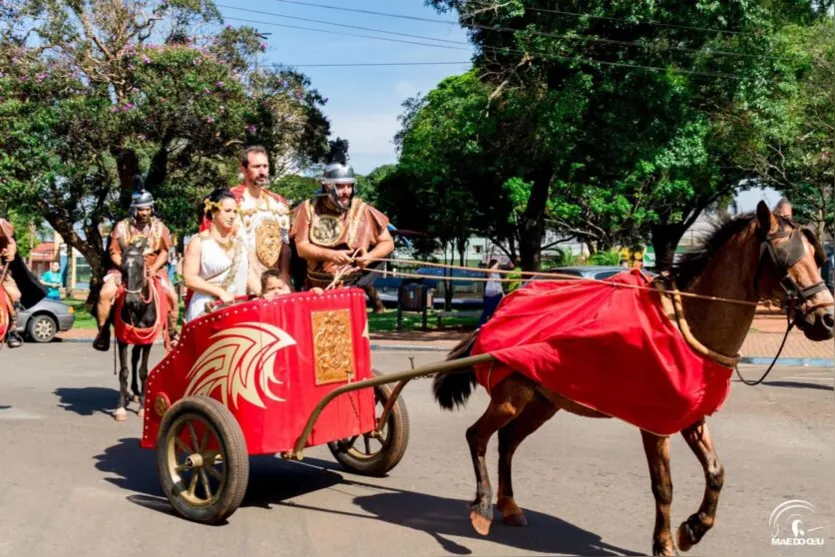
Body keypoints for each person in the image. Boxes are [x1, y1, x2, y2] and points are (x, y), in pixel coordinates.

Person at [290, 138, 394, 290]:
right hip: (315, 287)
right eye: (340, 186)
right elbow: (302, 247)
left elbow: (387, 242)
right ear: (327, 186)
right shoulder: (308, 209)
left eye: (349, 186)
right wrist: (329, 255)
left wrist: (369, 258)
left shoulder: (363, 210)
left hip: (350, 286)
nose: (346, 192)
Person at [93, 189, 179, 351]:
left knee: (172, 296)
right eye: (141, 209)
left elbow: (164, 252)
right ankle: (103, 333)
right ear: (134, 209)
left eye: (147, 209)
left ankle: (172, 333)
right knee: (105, 293)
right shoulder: (121, 227)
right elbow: (114, 252)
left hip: (153, 269)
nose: (145, 212)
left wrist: (153, 268)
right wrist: (126, 267)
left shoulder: (160, 228)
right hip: (125, 269)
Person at [200, 145, 293, 294]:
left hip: (274, 284)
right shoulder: (230, 202)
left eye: (265, 166)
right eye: (256, 166)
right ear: (243, 169)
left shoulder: (278, 203)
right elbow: (210, 243)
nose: (262, 171)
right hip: (237, 282)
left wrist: (285, 280)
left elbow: (285, 246)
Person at [183, 188, 261, 323]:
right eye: (227, 211)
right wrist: (220, 292)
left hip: (236, 309)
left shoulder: (239, 243)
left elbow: (249, 275)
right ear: (213, 212)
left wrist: (263, 293)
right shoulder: (198, 242)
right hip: (207, 310)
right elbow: (190, 279)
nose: (232, 216)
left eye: (235, 211)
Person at [1, 218, 46, 348]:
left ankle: (12, 330)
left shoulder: (6, 237)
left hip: (2, 275)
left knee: (15, 295)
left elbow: (10, 255)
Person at [478, 259, 504, 327]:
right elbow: (490, 271)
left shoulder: (498, 274)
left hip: (498, 295)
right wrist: (497, 263)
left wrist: (503, 294)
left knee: (496, 313)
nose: (498, 267)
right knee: (486, 313)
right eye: (497, 266)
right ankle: (479, 327)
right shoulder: (490, 273)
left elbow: (499, 285)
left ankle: (493, 327)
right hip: (490, 296)